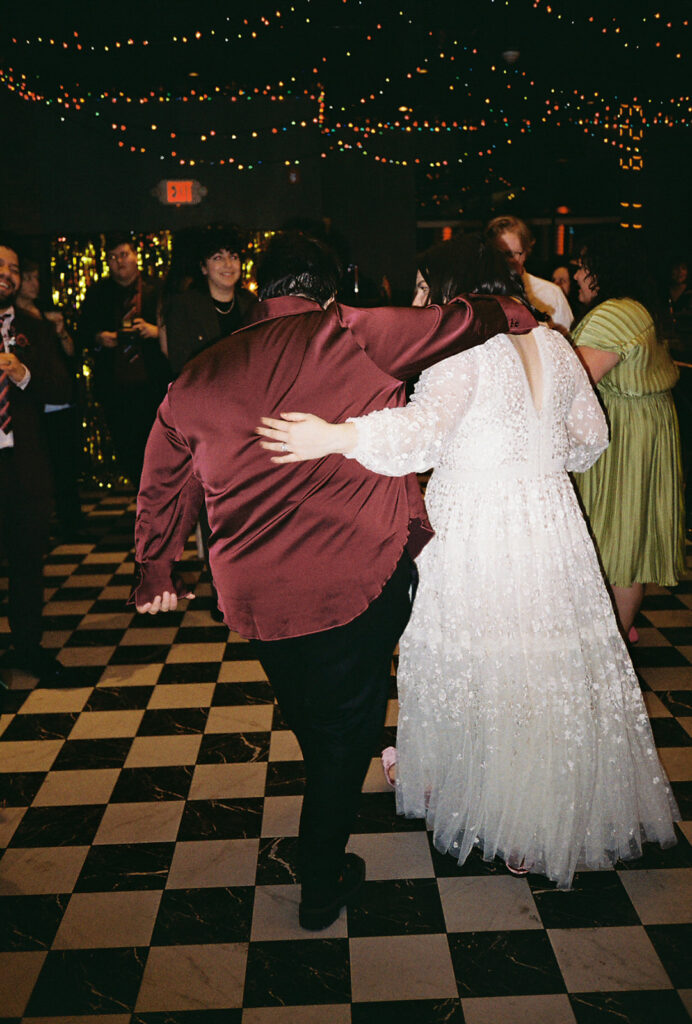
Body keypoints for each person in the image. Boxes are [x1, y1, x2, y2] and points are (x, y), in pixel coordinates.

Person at [131, 231, 536, 929]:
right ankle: (322, 876)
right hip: (354, 582)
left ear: (262, 290)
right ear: (327, 290)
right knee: (341, 737)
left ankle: (337, 766)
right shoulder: (350, 330)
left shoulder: (196, 375)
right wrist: (520, 314)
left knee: (323, 721)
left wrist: (155, 566)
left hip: (255, 599)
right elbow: (465, 319)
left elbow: (163, 478)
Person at [257, 234, 679, 890]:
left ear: (452, 291)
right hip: (549, 522)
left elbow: (420, 437)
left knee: (483, 662)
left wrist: (334, 436)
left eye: (426, 289)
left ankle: (497, 812)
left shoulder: (458, 350)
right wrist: (534, 462)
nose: (420, 302)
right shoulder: (552, 343)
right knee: (543, 666)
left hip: (477, 528)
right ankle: (539, 815)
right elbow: (592, 439)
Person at [572, 233, 685, 638]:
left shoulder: (613, 314)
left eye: (585, 266)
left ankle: (615, 640)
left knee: (618, 537)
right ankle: (623, 627)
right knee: (628, 533)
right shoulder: (635, 309)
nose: (578, 274)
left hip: (623, 436)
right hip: (640, 428)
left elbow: (576, 379)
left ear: (605, 271)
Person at [0, 239, 73, 685]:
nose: (6, 274)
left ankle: (29, 647)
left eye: (12, 268)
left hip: (23, 465)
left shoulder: (34, 328)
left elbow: (63, 391)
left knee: (27, 561)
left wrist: (24, 374)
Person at [77, 232, 167, 485]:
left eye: (124, 254)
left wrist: (154, 331)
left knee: (158, 449)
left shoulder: (158, 288)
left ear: (136, 257)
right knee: (127, 449)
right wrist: (98, 338)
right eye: (113, 257)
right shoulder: (98, 293)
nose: (120, 261)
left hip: (154, 385)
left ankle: (161, 502)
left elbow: (180, 331)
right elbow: (81, 333)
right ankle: (140, 502)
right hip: (116, 387)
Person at [16, 259, 84, 538]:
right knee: (45, 466)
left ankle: (72, 521)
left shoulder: (45, 315)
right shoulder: (16, 319)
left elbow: (70, 353)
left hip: (62, 398)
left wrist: (61, 331)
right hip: (37, 403)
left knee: (67, 463)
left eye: (36, 278)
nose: (35, 284)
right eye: (29, 278)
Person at [162, 225, 257, 377]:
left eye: (233, 257)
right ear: (203, 267)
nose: (228, 264)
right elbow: (179, 364)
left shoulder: (251, 303)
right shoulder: (183, 306)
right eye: (218, 258)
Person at [486, 215, 573, 333]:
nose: (506, 261)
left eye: (511, 254)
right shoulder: (481, 295)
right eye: (499, 254)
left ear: (526, 252)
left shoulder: (551, 294)